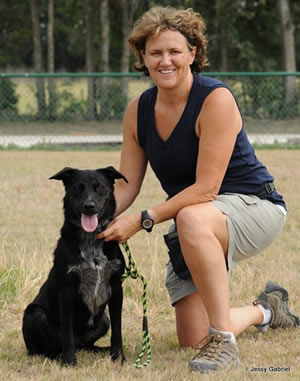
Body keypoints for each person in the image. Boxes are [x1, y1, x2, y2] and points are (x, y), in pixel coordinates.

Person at [97, 6, 299, 373]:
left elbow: (206, 189)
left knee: (190, 217)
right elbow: (125, 185)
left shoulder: (215, 99)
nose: (165, 60)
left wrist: (142, 220)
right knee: (192, 337)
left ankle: (224, 342)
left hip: (254, 205)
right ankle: (267, 309)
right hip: (197, 217)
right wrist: (95, 218)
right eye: (155, 52)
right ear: (142, 57)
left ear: (193, 53)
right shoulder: (137, 110)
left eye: (175, 51)